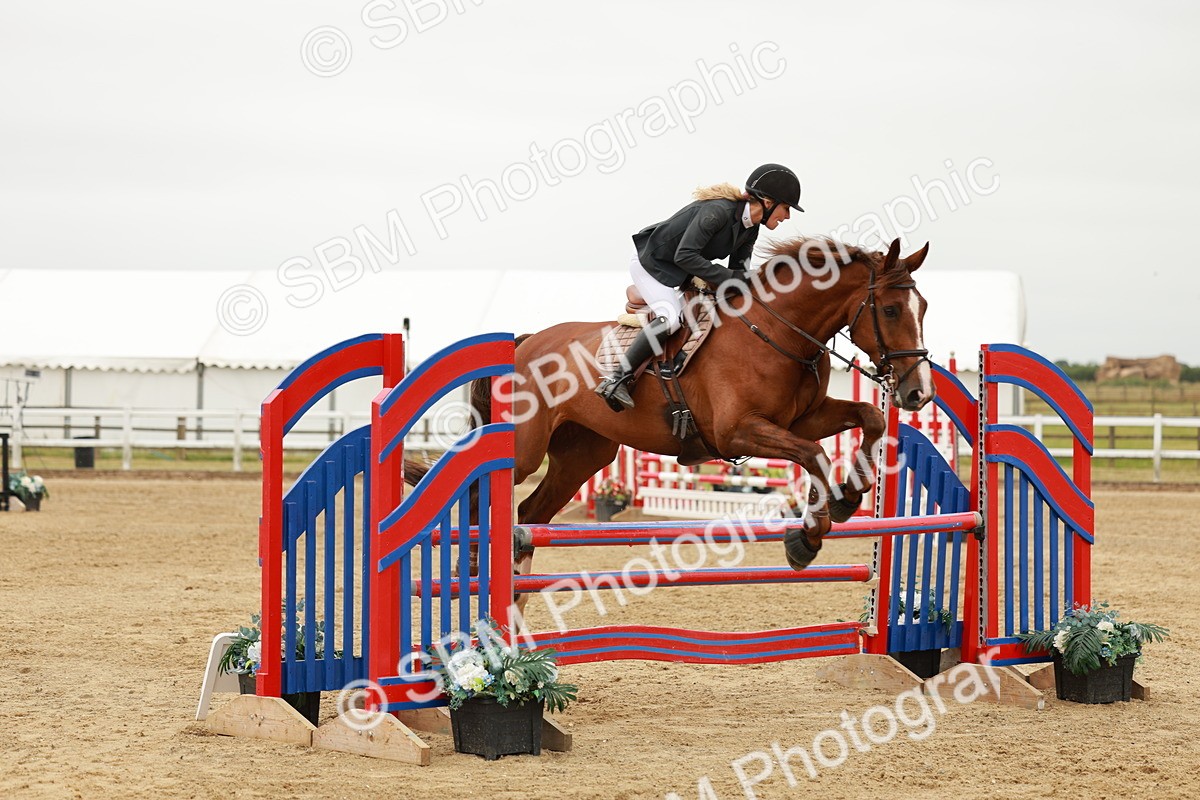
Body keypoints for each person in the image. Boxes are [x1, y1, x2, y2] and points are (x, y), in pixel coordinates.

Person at [595, 163, 803, 412]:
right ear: (768, 202)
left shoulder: (750, 229)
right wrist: (734, 277)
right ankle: (616, 379)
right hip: (652, 263)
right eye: (786, 208)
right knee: (671, 319)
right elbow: (685, 255)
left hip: (680, 270)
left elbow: (739, 273)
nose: (788, 216)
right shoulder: (717, 212)